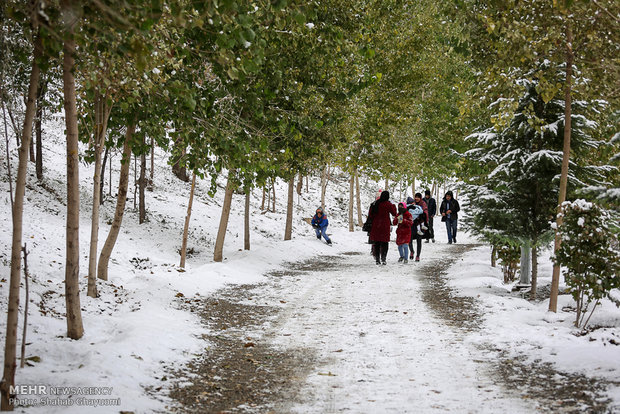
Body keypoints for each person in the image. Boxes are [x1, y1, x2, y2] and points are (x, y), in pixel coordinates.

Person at [368, 190, 397, 265]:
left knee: (377, 242)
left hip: (376, 225)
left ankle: (377, 259)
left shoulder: (375, 203)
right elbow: (394, 213)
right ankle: (383, 258)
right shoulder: (388, 204)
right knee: (385, 243)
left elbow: (370, 214)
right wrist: (393, 205)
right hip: (385, 226)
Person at [407, 194, 428, 262]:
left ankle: (418, 256)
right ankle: (412, 251)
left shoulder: (423, 204)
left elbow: (425, 212)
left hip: (419, 224)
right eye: (415, 197)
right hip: (411, 225)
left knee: (419, 240)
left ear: (420, 198)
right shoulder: (411, 204)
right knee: (409, 239)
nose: (416, 198)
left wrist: (421, 216)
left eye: (418, 197)